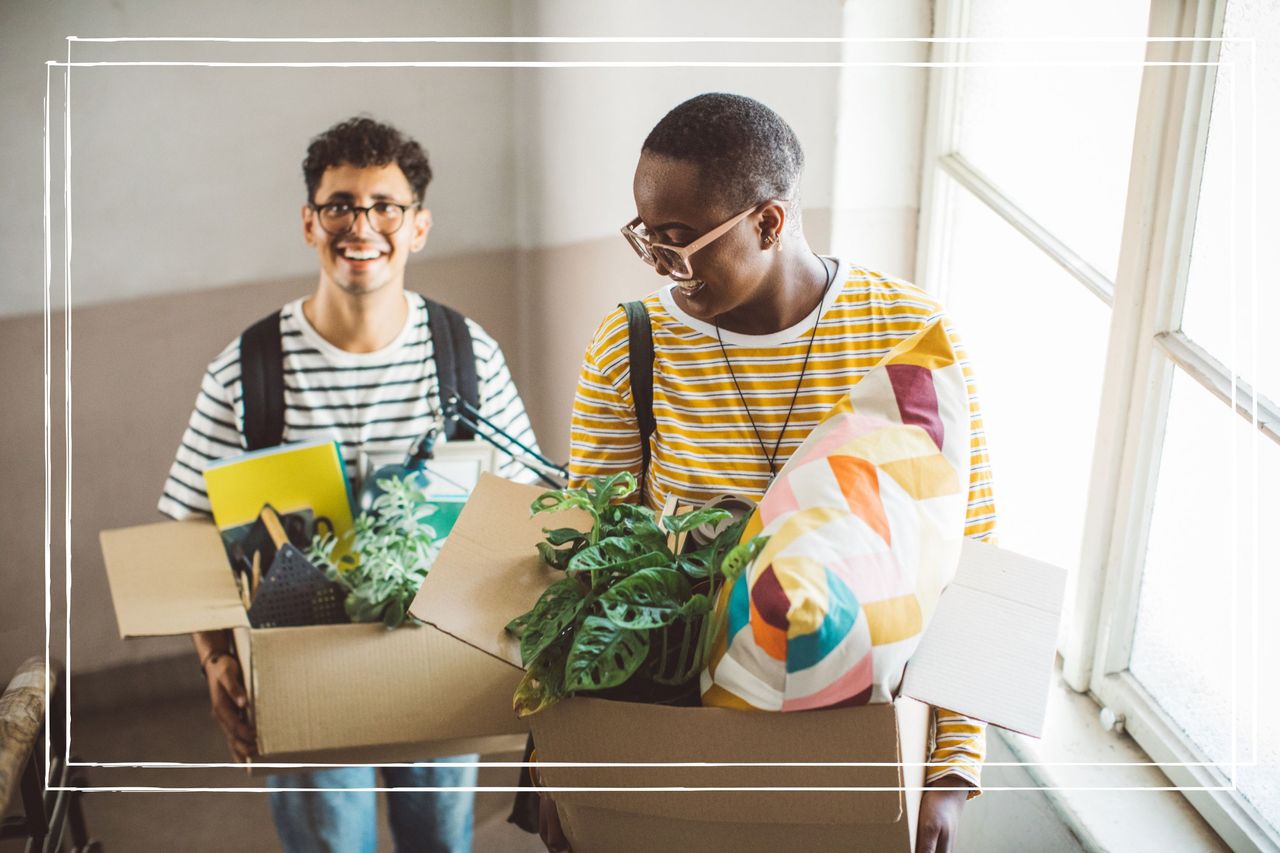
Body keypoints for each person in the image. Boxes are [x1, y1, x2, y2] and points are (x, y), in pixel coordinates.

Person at [542, 93, 997, 853]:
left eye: (679, 240)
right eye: (645, 237)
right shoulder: (632, 344)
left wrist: (951, 768)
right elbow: (583, 557)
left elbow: (969, 552)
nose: (661, 264)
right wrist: (562, 761)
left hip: (857, 728)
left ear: (768, 221)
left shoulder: (910, 332)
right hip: (683, 730)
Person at [159, 115, 540, 853]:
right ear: (309, 222)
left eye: (384, 206)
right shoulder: (248, 366)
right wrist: (214, 659)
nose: (360, 224)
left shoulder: (466, 354)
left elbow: (520, 508)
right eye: (339, 205)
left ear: (419, 226)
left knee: (439, 842)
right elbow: (187, 528)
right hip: (299, 670)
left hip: (435, 664)